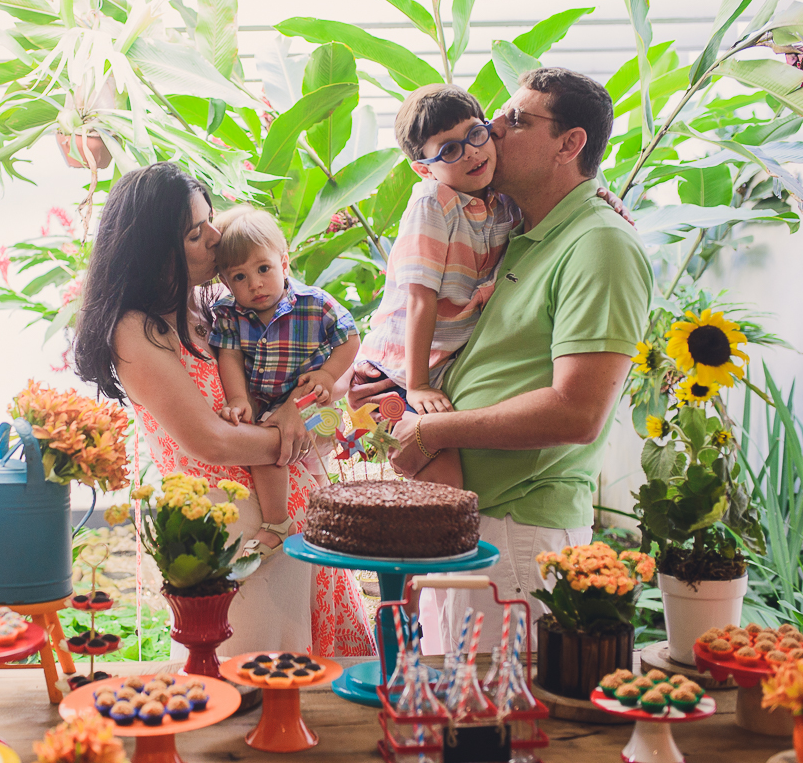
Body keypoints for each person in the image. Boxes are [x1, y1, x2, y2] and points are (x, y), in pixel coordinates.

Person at [352, 68, 653, 651]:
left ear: (570, 144)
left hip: (517, 529)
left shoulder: (601, 243)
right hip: (477, 521)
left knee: (491, 721)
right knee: (453, 708)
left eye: (516, 120)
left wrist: (432, 427)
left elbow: (578, 411)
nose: (494, 126)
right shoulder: (520, 229)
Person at [73, 162, 372, 657]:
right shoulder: (136, 330)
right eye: (196, 232)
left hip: (297, 517)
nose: (215, 237)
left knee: (320, 691)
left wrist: (305, 409)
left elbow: (330, 373)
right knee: (252, 684)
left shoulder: (218, 302)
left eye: (210, 220)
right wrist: (290, 439)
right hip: (230, 536)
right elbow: (210, 440)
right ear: (156, 251)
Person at [356, 83, 522, 490]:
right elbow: (419, 299)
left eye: (475, 134)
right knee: (444, 485)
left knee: (440, 493)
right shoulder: (434, 202)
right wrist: (417, 386)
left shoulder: (503, 197)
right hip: (394, 371)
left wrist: (603, 195)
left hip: (440, 364)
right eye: (449, 150)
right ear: (424, 167)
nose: (470, 152)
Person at [209, 206, 361, 561]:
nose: (255, 284)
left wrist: (326, 374)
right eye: (239, 277)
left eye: (263, 269)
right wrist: (237, 398)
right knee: (265, 449)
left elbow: (349, 339)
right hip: (265, 405)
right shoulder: (230, 313)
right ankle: (278, 523)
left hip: (311, 402)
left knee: (310, 466)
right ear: (226, 283)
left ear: (284, 263)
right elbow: (228, 355)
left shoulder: (314, 304)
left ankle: (325, 518)